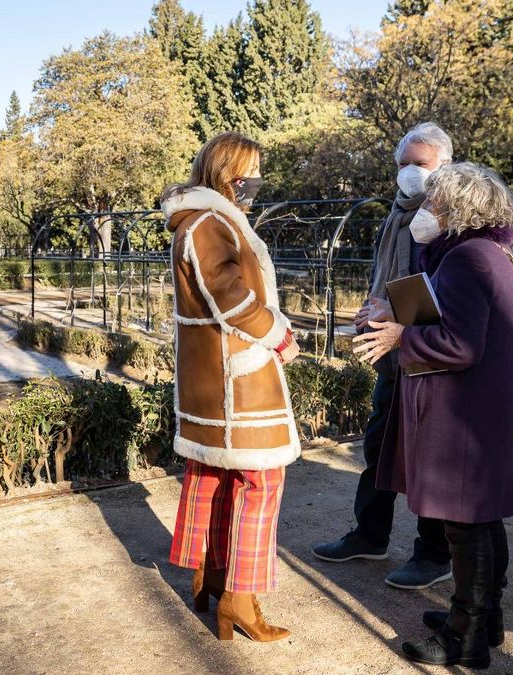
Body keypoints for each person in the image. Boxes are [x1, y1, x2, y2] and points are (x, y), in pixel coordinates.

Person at [353, 162, 513, 668]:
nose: (425, 210)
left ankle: (463, 640)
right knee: (482, 521)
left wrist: (402, 336)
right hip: (480, 414)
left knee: (464, 526)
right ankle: (481, 620)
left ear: (460, 209)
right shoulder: (484, 253)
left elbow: (461, 345)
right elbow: (453, 322)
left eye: (434, 202)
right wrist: (394, 314)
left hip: (464, 419)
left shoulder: (469, 259)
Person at [162, 131, 301, 642]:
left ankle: (212, 577)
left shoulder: (203, 220)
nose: (255, 182)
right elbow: (229, 294)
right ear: (227, 172)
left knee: (218, 476)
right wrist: (279, 335)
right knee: (261, 482)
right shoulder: (209, 222)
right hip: (233, 376)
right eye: (251, 171)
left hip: (217, 372)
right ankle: (239, 598)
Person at [311, 122, 454, 590]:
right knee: (379, 445)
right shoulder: (397, 213)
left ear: (444, 167)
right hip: (392, 354)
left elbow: (451, 293)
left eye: (420, 164)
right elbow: (388, 280)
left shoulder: (452, 216)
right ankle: (370, 535)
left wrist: (398, 316)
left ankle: (435, 554)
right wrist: (373, 309)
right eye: (402, 165)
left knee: (430, 457)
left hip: (433, 357)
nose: (408, 174)